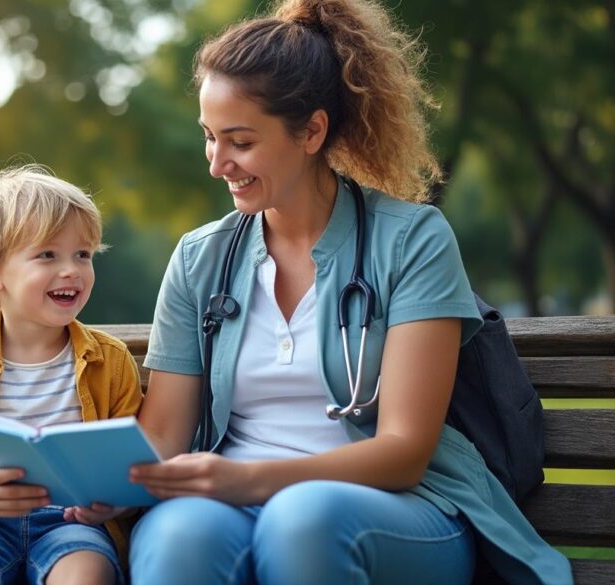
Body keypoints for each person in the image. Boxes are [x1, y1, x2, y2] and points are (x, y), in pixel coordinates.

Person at [126, 1, 572, 584]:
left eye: (239, 141)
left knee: (302, 520)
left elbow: (404, 451)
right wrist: (111, 486)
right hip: (236, 503)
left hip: (399, 508)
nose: (217, 164)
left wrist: (251, 480)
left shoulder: (412, 240)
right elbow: (163, 434)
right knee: (178, 533)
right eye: (209, 137)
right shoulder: (199, 258)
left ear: (311, 130)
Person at [0, 165, 143, 585]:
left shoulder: (111, 360)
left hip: (73, 523)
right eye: (48, 254)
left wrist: (114, 503)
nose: (71, 269)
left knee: (86, 573)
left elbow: (132, 463)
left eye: (83, 254)